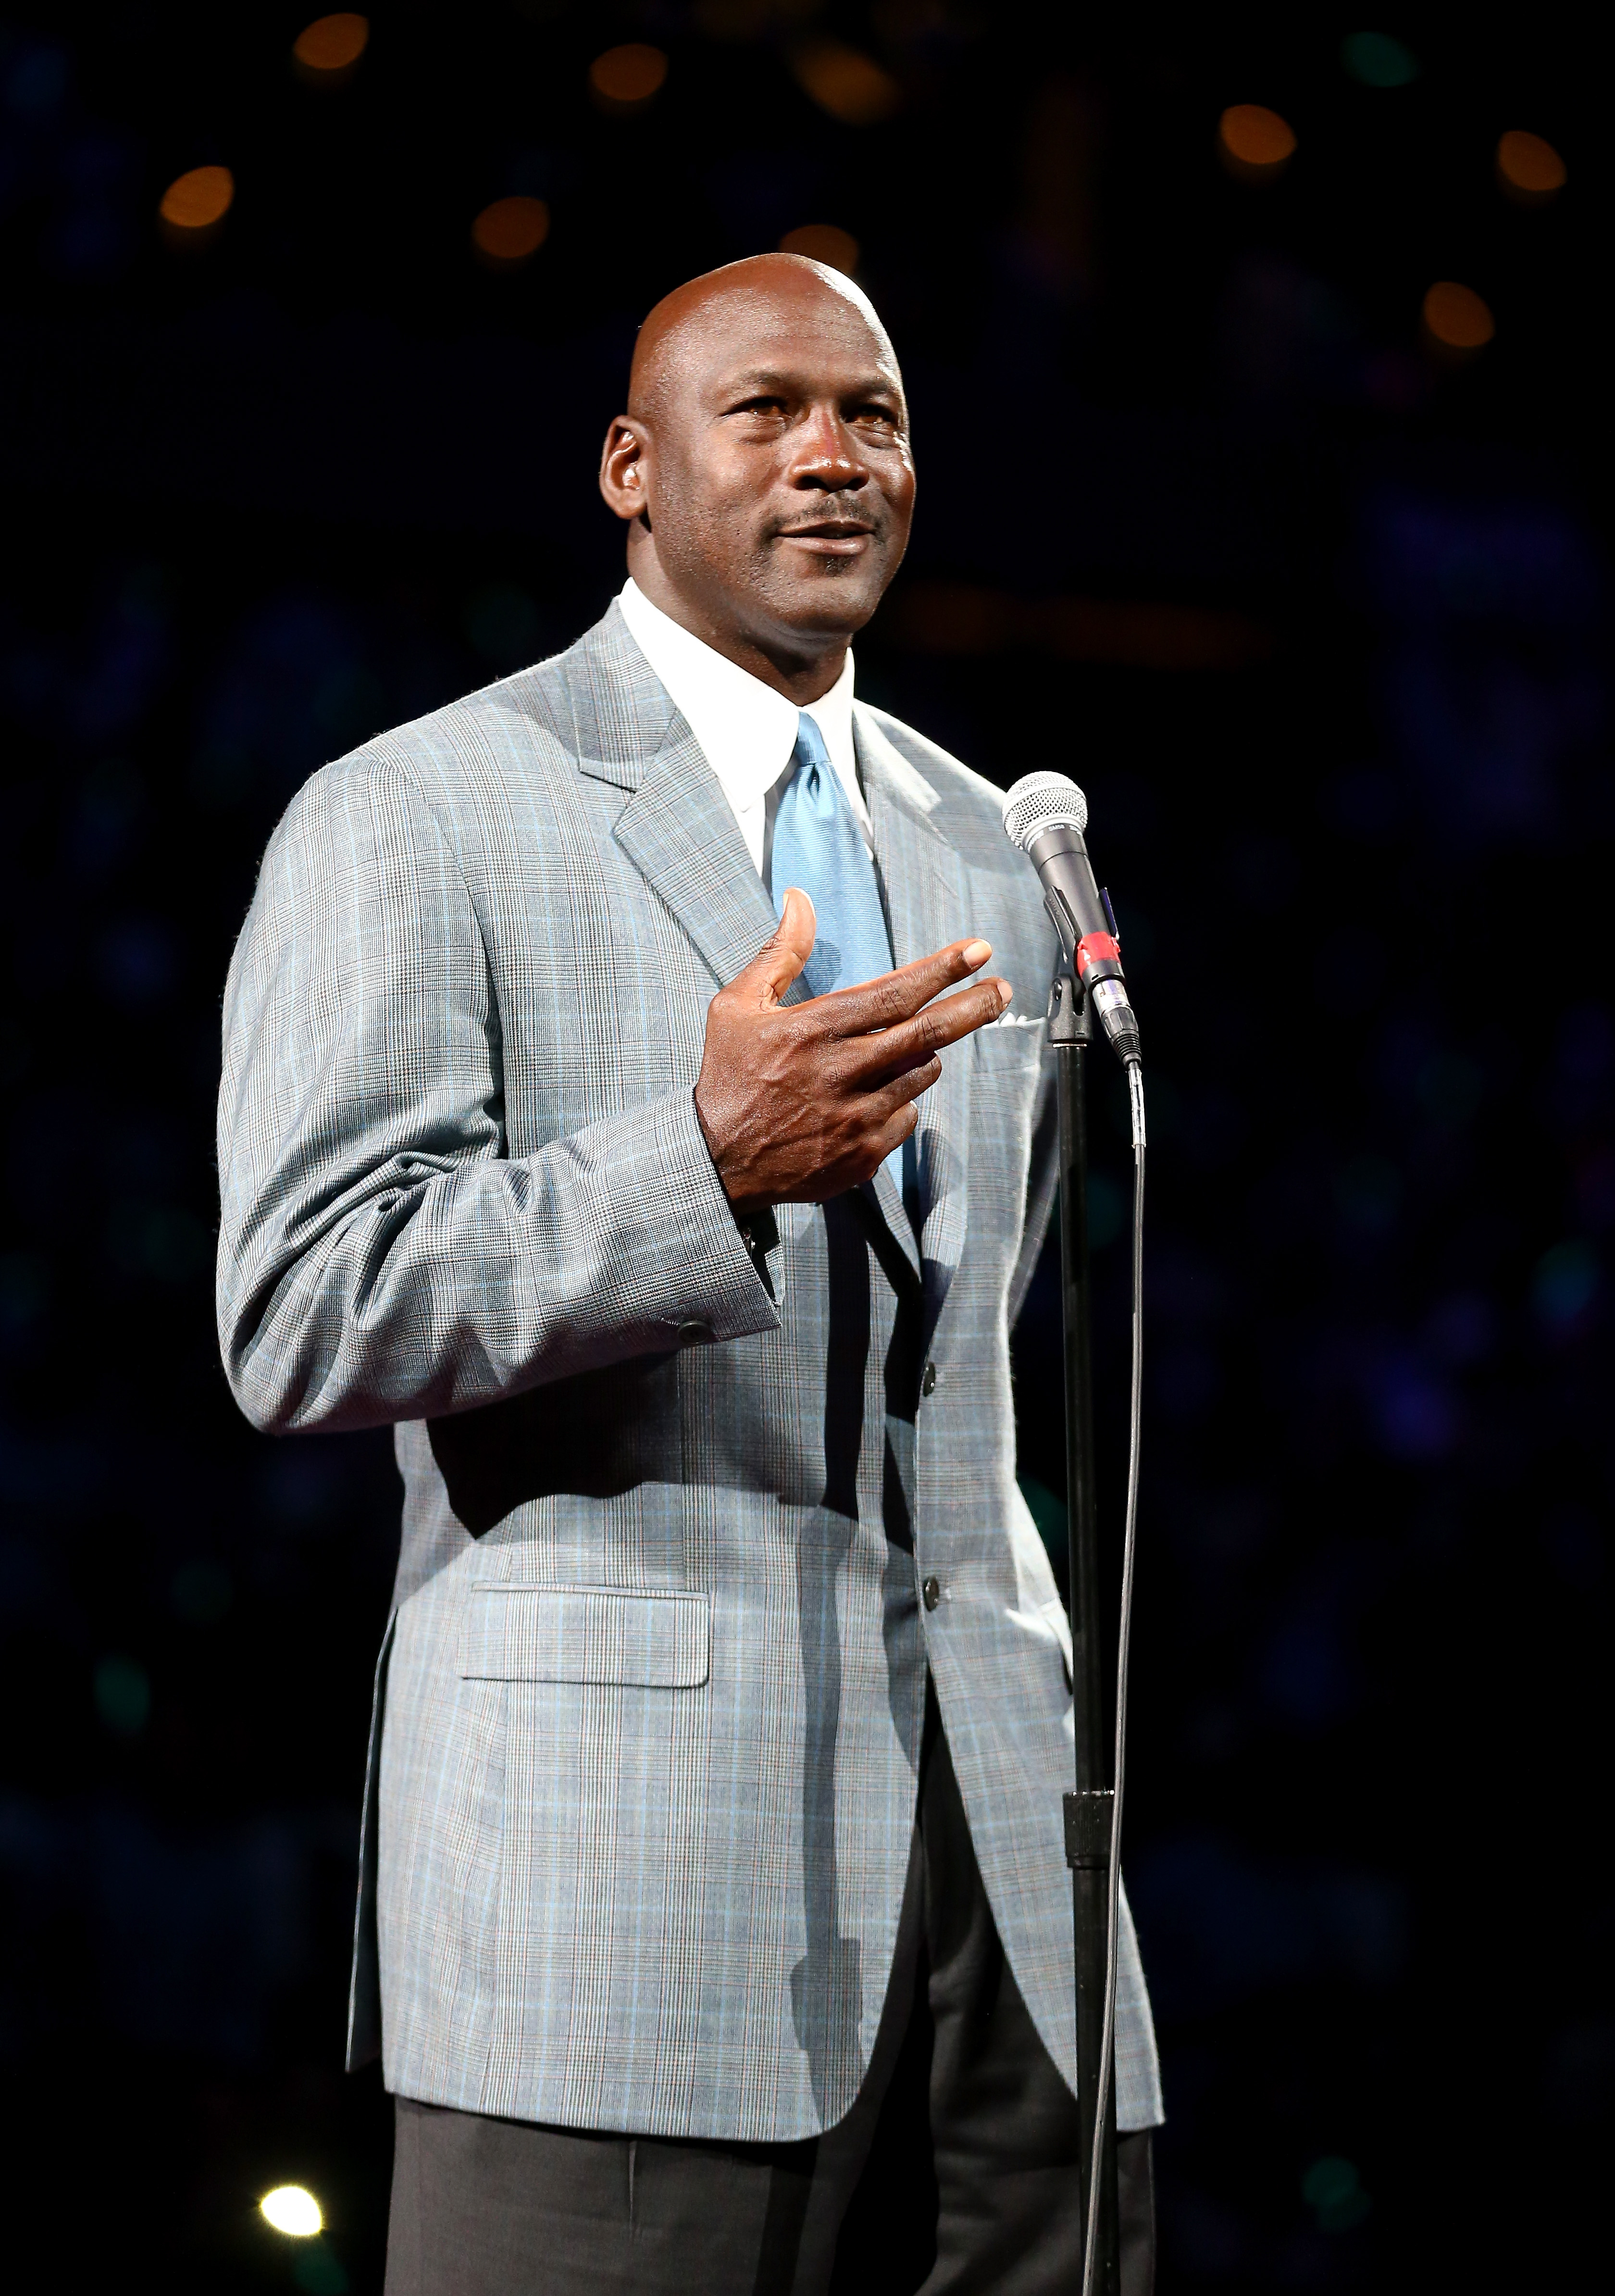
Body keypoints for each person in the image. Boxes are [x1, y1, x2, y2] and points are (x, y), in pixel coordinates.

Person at [217, 252, 1163, 2295]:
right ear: (633, 470)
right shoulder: (419, 812)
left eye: (879, 416)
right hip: (615, 1898)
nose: (837, 458)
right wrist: (703, 1166)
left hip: (1003, 1881)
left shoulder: (997, 843)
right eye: (771, 413)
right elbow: (301, 1310)